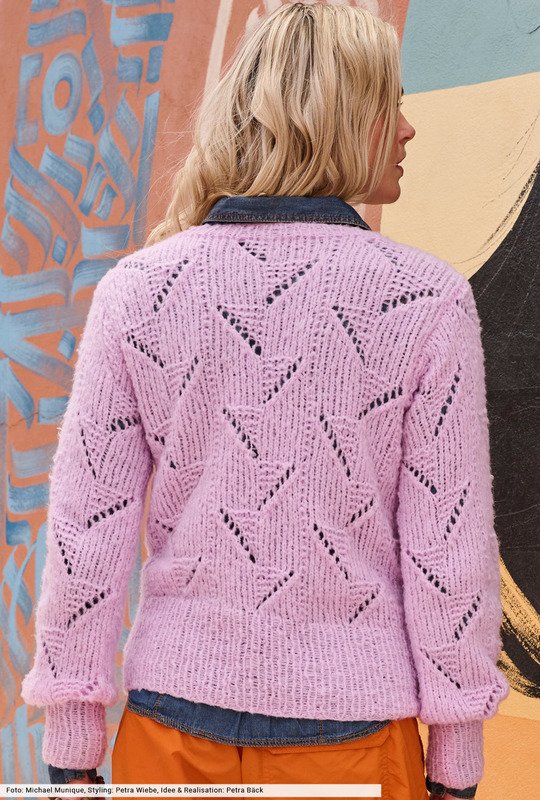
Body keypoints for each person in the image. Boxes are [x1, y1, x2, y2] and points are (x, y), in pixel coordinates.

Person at [21, 3, 509, 799]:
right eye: (389, 105)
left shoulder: (137, 292)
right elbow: (445, 550)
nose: (408, 129)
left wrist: (72, 740)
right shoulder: (426, 301)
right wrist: (456, 757)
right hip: (352, 743)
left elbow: (87, 529)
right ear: (339, 119)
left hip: (170, 737)